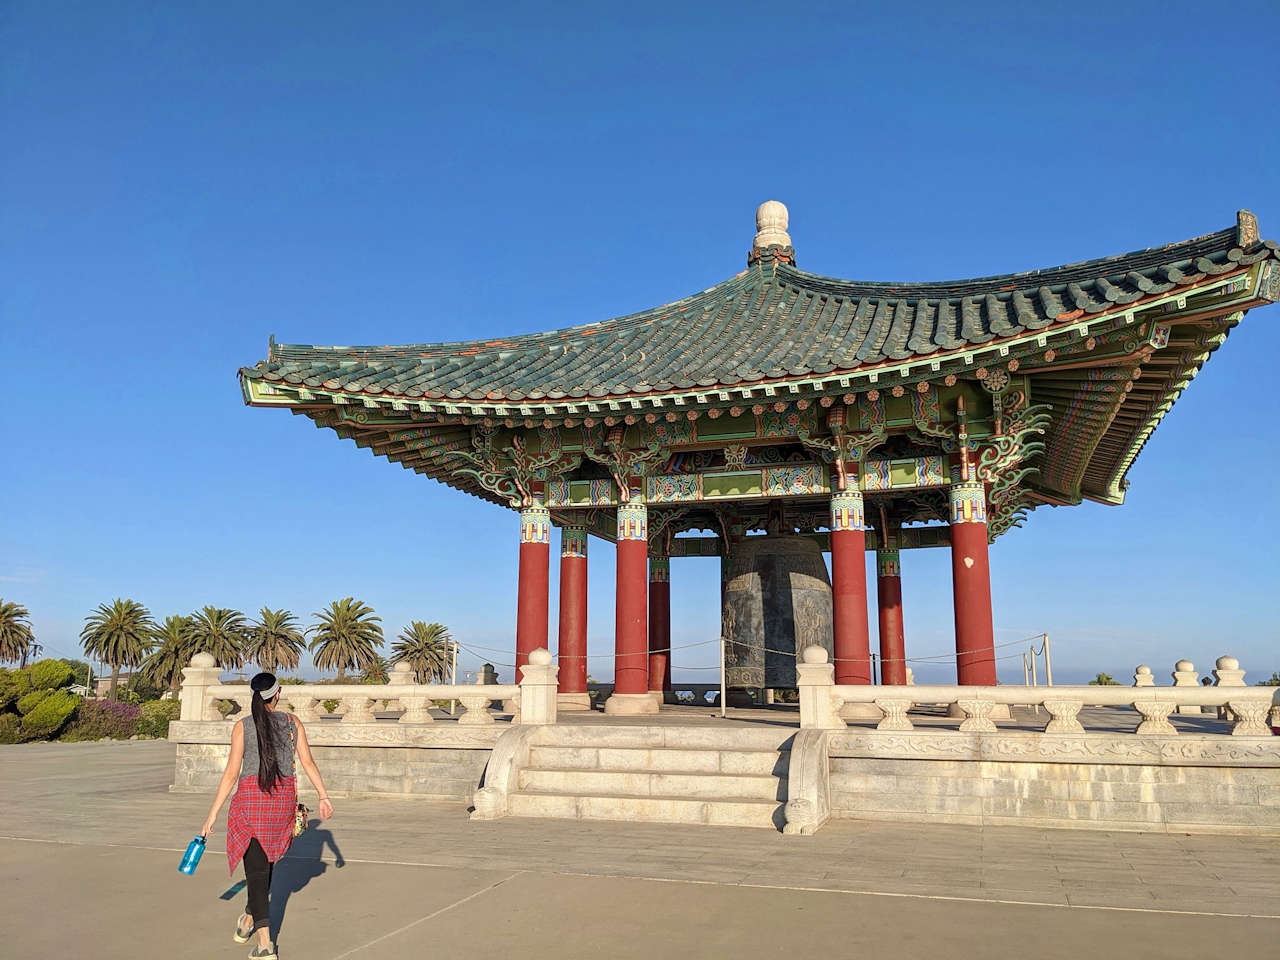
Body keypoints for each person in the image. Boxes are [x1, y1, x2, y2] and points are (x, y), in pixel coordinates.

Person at [201, 673, 334, 959]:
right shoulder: (291, 722)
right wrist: (323, 795)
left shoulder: (242, 727)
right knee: (265, 865)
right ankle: (250, 917)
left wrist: (212, 815)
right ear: (277, 694)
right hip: (281, 802)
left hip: (251, 801)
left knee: (258, 870)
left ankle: (265, 945)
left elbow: (231, 774)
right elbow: (308, 762)